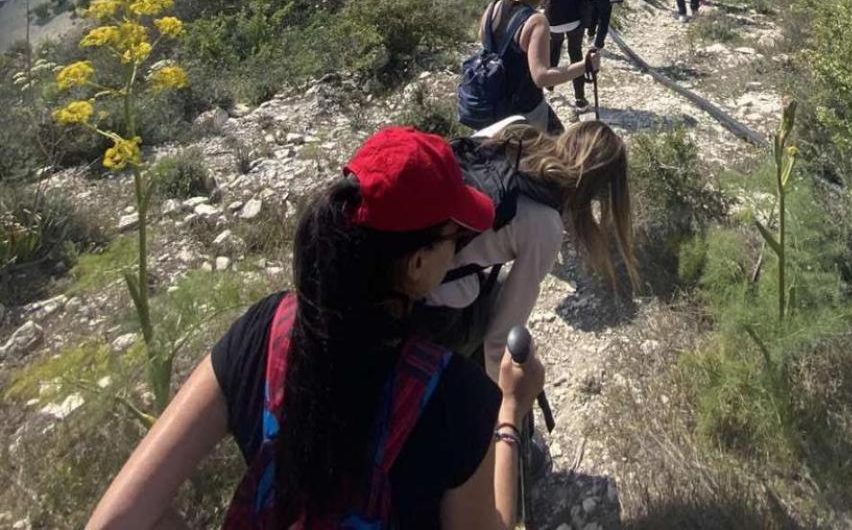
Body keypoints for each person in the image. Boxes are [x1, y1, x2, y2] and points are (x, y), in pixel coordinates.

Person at [85, 127, 545, 530]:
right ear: (419, 264)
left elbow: (117, 520)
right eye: (457, 238)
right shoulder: (455, 396)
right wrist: (508, 413)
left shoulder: (262, 331)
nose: (461, 249)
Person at [422, 120, 636, 380]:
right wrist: (507, 407)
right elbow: (500, 340)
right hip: (428, 300)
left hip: (406, 248)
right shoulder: (546, 226)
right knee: (486, 304)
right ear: (596, 192)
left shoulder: (515, 132)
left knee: (489, 286)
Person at [459, 0, 600, 133]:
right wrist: (585, 65)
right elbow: (542, 77)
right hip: (523, 110)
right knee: (558, 149)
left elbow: (487, 43)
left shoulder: (493, 7)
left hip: (490, 105)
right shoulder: (536, 22)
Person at [543, 0, 596, 117]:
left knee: (553, 51)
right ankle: (580, 99)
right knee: (576, 57)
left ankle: (549, 86)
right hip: (574, 21)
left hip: (553, 22)